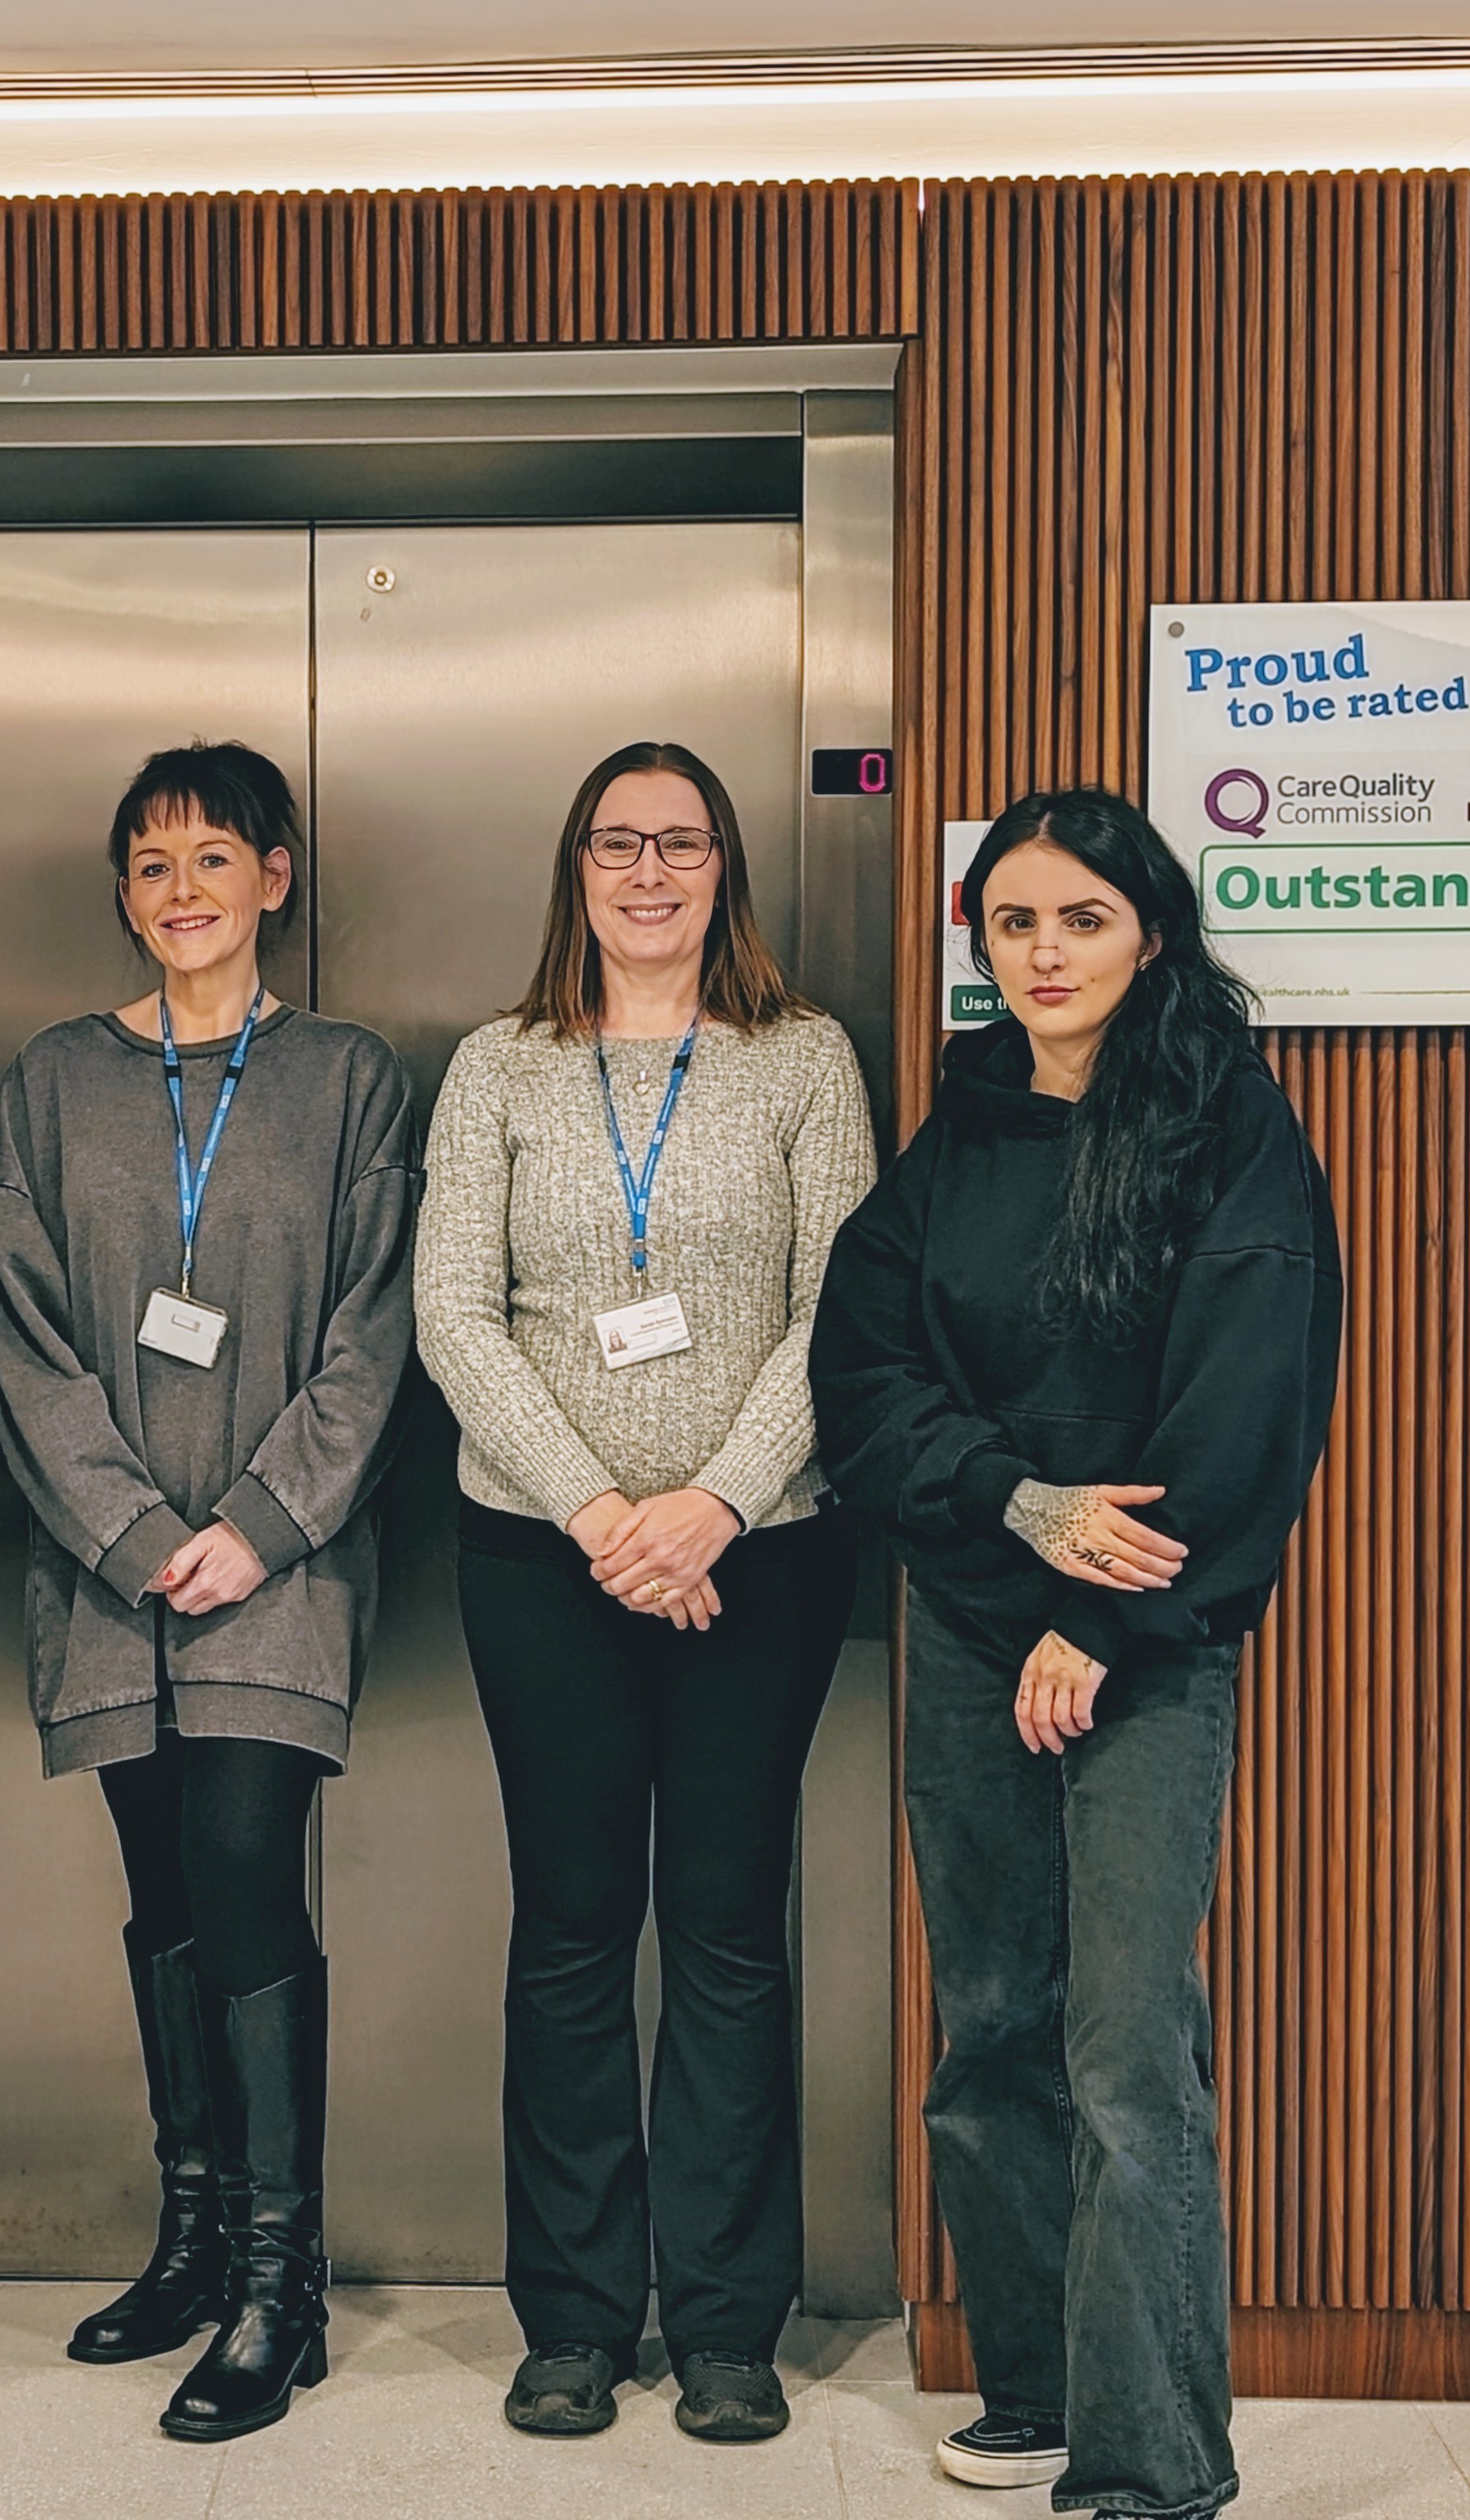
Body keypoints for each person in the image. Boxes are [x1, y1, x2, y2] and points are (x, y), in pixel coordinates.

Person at [811, 788, 1339, 2520]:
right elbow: (864, 1374)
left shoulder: (1224, 1130)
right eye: (1013, 922)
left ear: (1148, 934)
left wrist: (1098, 1615)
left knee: (1123, 2048)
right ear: (979, 941)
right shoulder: (951, 1133)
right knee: (986, 2028)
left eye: (1079, 920)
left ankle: (1152, 2460)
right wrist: (1013, 1504)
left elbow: (1244, 1414)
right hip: (971, 1626)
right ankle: (1032, 2388)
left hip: (1148, 1646)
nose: (1042, 952)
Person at [415, 740, 874, 2447]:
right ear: (575, 869)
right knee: (569, 1928)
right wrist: (604, 1513)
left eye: (679, 842)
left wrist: (709, 1506)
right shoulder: (496, 1066)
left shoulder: (803, 1059)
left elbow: (842, 1310)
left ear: (722, 866)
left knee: (731, 1930)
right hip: (540, 1555)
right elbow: (453, 1310)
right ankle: (575, 2318)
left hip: (761, 1553)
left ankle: (731, 2324)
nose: (648, 871)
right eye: (616, 843)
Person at [0, 741, 416, 2443]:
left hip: (274, 1567)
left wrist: (256, 1519)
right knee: (159, 1883)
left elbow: (372, 1330)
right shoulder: (51, 1078)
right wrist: (123, 1528)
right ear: (122, 891)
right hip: (108, 1574)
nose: (181, 890)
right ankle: (187, 2231)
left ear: (275, 876)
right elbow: (15, 1329)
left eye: (212, 858)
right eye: (149, 863)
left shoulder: (347, 1077)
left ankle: (274, 2274)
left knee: (241, 1866)